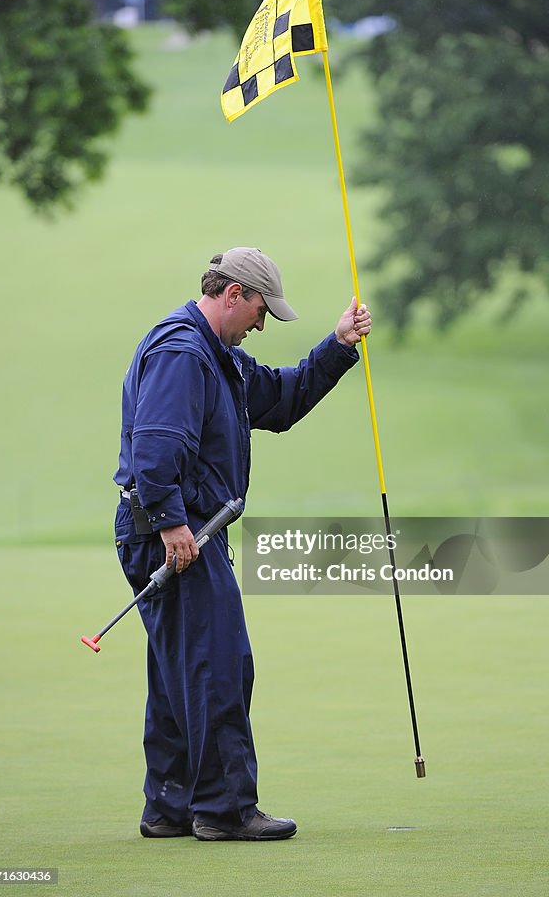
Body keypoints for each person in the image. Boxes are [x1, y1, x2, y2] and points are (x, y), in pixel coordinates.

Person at [113, 246, 372, 841]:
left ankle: (172, 805)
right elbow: (156, 447)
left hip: (173, 530)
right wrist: (174, 522)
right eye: (260, 311)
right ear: (233, 295)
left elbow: (281, 400)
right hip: (176, 534)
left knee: (180, 670)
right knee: (218, 667)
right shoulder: (183, 353)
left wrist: (337, 345)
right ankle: (224, 809)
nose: (261, 325)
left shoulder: (217, 356)